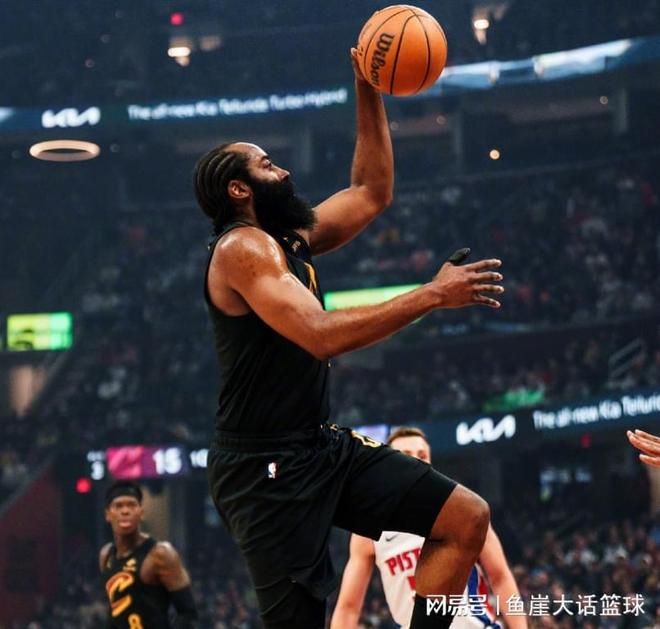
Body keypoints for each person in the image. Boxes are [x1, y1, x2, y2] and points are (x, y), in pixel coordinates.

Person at [194, 48, 504, 629]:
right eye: (267, 165)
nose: (284, 172)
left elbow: (370, 190)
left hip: (316, 445)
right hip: (264, 471)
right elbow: (320, 335)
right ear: (238, 189)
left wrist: (367, 85)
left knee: (465, 518)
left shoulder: (287, 238)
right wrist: (432, 295)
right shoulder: (242, 248)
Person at [331, 427, 528, 629]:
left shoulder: (462, 511)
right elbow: (348, 607)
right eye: (405, 455)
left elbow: (500, 577)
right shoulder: (370, 527)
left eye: (422, 455)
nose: (416, 460)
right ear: (388, 465)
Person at [100, 480, 198, 628]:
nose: (125, 511)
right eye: (118, 506)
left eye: (131, 505)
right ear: (108, 514)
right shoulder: (106, 555)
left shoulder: (161, 554)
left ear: (141, 512)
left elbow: (188, 614)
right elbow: (114, 611)